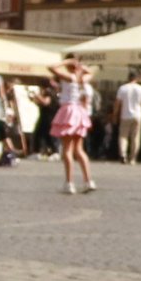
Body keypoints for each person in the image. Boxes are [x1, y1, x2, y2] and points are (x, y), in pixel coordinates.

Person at [49, 56, 96, 195]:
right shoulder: (82, 78)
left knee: (67, 150)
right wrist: (81, 67)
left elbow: (51, 67)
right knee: (79, 150)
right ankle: (88, 181)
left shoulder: (69, 77)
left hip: (69, 110)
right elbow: (92, 72)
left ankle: (69, 183)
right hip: (80, 112)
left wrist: (66, 62)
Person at [114, 74, 141, 164]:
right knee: (136, 137)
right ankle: (133, 158)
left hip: (125, 115)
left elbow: (117, 103)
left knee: (123, 136)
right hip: (138, 115)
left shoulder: (122, 88)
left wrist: (115, 114)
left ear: (128, 78)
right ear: (136, 78)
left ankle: (123, 154)